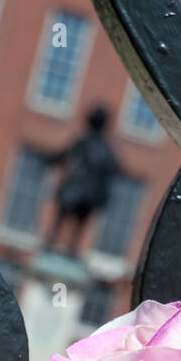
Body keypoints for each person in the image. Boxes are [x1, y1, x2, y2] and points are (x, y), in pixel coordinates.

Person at [44, 104, 122, 257]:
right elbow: (115, 167)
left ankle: (52, 243)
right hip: (90, 194)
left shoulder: (85, 140)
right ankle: (69, 248)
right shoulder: (105, 146)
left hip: (77, 188)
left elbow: (63, 155)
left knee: (62, 216)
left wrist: (48, 159)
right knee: (78, 224)